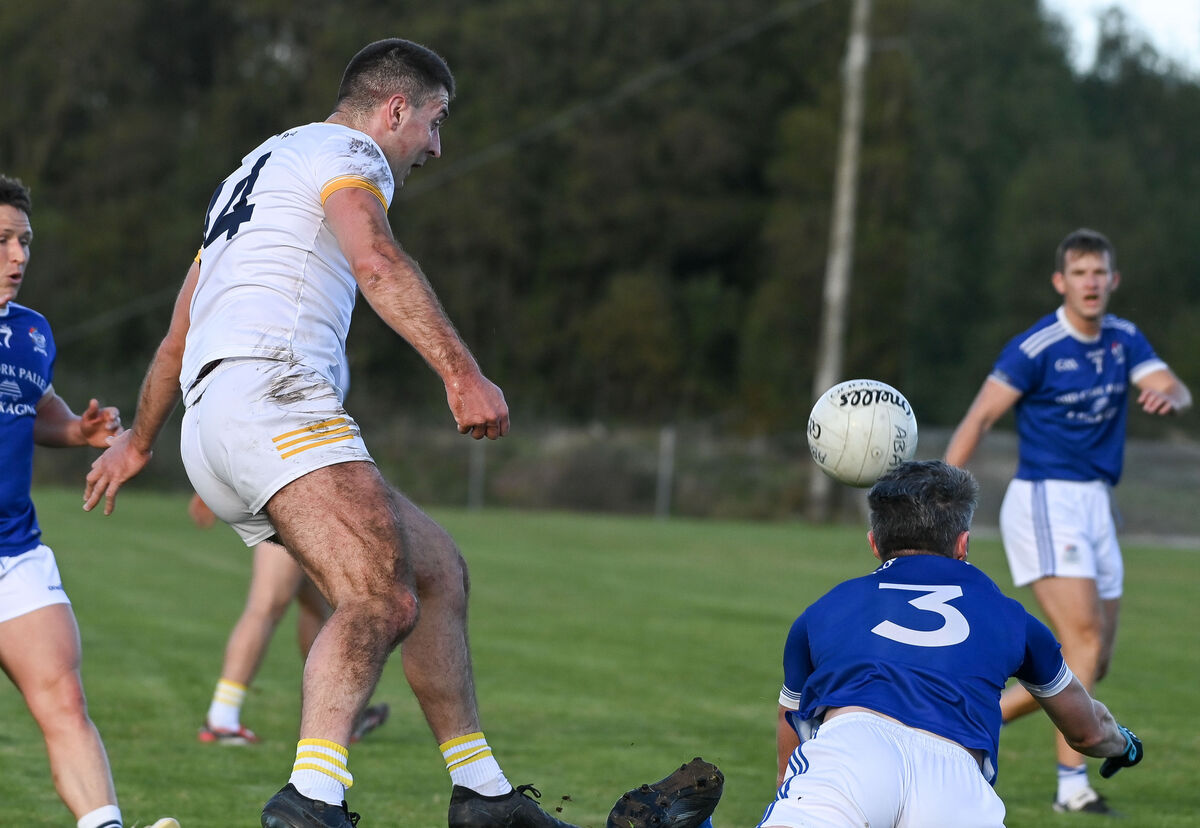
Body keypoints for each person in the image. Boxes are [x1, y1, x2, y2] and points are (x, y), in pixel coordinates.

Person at [81, 40, 572, 828]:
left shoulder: (255, 169)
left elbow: (178, 334)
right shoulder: (349, 151)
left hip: (213, 425)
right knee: (377, 593)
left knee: (436, 571)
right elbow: (375, 259)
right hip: (270, 391)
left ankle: (482, 795)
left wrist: (140, 441)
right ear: (396, 110)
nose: (436, 148)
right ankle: (312, 800)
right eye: (437, 123)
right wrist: (461, 371)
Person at [943, 228, 1190, 814]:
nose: (1091, 283)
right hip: (1047, 501)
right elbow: (979, 418)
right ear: (1061, 282)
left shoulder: (1125, 339)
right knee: (1080, 642)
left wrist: (1170, 398)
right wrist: (941, 504)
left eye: (1100, 273)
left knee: (1094, 659)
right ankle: (1071, 787)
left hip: (1097, 504)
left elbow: (1172, 387)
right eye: (1080, 273)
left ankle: (968, 722)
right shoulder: (1036, 347)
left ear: (1113, 280)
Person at [754, 460, 1144, 828]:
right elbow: (1087, 732)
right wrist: (1124, 744)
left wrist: (792, 796)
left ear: (874, 543)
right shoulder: (1012, 619)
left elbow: (790, 719)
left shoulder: (822, 611)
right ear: (963, 544)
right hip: (956, 776)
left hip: (852, 751)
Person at [0, 175, 179, 828]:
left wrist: (75, 429)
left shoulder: (32, 333)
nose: (18, 257)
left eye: (25, 242)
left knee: (65, 701)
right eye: (2, 241)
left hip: (13, 553)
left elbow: (31, 404)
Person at [188, 494, 391, 746]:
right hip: (296, 506)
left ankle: (334, 715)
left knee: (317, 610)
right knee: (265, 607)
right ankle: (222, 719)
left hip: (309, 509)